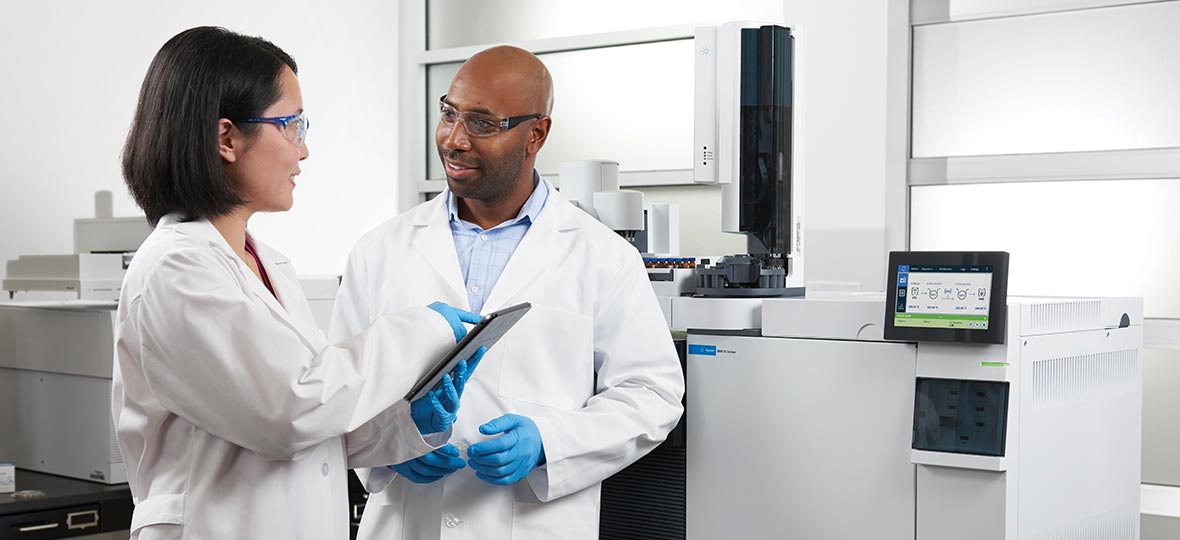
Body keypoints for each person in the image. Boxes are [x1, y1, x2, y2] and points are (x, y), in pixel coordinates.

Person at [113, 26, 484, 540]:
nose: (302, 152)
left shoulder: (265, 264)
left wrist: (407, 421)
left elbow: (317, 428)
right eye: (291, 125)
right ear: (226, 138)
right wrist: (423, 331)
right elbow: (288, 411)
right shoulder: (175, 269)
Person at [330, 45, 685, 539]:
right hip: (406, 523)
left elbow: (653, 396)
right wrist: (388, 445)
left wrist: (549, 441)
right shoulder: (379, 250)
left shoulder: (603, 257)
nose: (454, 139)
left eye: (481, 123)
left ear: (535, 134)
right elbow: (336, 393)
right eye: (449, 114)